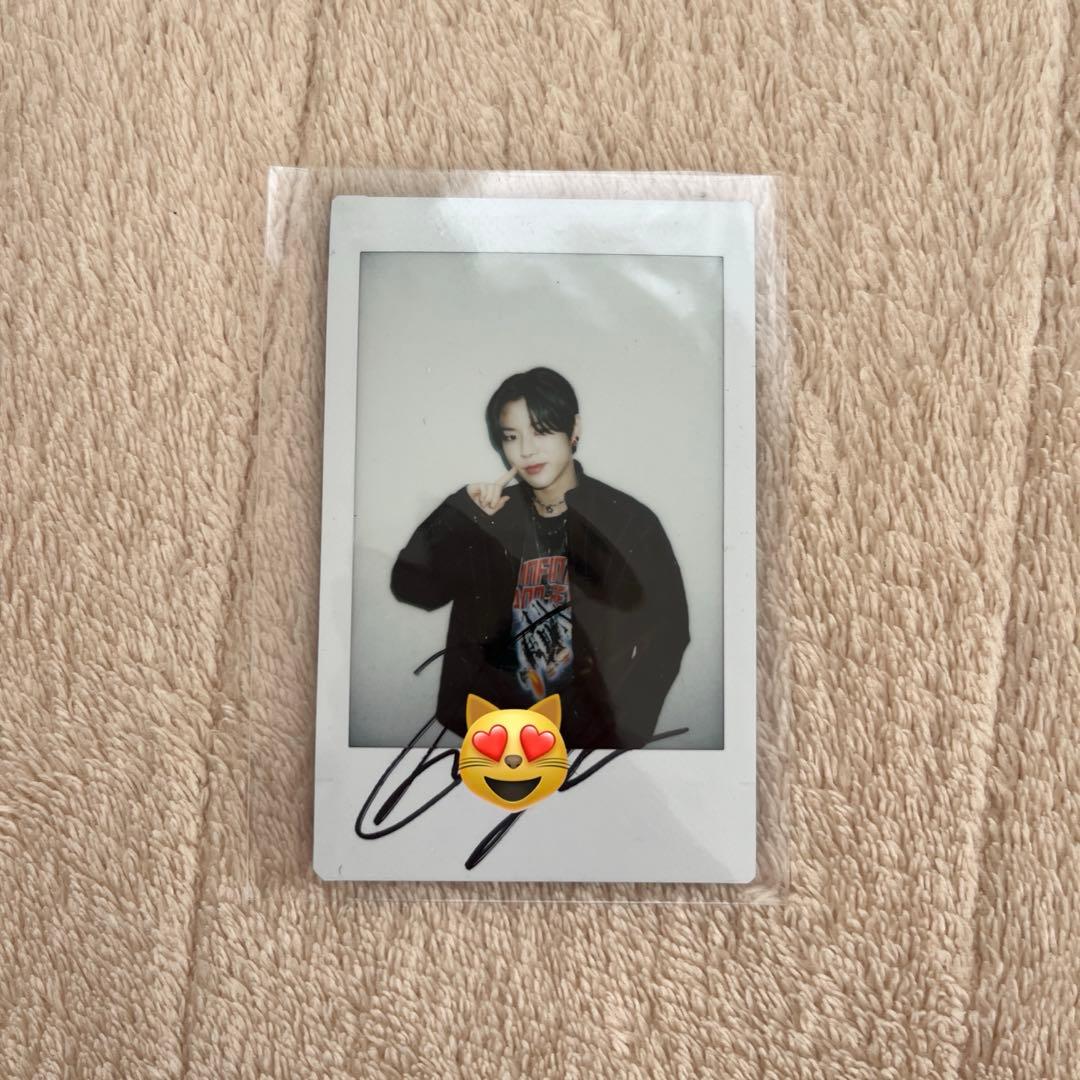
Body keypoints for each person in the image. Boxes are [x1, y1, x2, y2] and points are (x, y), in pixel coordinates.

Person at [390, 366, 690, 749]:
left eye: (541, 430)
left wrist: (622, 728)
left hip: (585, 737)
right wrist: (457, 513)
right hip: (492, 731)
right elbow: (412, 588)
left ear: (574, 429)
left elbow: (668, 631)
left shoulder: (627, 521)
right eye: (511, 436)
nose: (526, 450)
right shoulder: (489, 517)